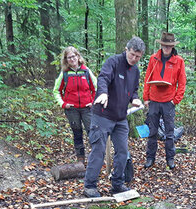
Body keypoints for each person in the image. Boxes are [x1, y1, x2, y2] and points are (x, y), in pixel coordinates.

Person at [83, 37, 145, 198]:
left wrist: (135, 99)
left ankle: (117, 183)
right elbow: (103, 78)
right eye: (132, 55)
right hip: (102, 115)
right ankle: (90, 185)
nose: (134, 59)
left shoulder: (136, 71)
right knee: (98, 150)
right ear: (126, 50)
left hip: (121, 118)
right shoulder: (113, 62)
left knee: (123, 151)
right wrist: (103, 93)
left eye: (138, 57)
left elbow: (134, 90)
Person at [142, 32, 186, 170]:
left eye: (169, 46)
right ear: (161, 45)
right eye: (164, 46)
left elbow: (182, 82)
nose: (166, 48)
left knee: (169, 132)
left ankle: (170, 159)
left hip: (168, 102)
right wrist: (146, 98)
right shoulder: (153, 59)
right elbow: (147, 79)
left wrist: (175, 100)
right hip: (154, 100)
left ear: (172, 47)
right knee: (152, 131)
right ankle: (150, 158)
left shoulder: (179, 61)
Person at [53, 46, 97, 163]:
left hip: (87, 108)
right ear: (66, 60)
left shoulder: (86, 71)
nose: (72, 59)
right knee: (77, 133)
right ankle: (80, 160)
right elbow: (56, 91)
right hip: (72, 109)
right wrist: (63, 104)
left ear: (78, 56)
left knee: (92, 132)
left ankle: (96, 158)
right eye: (69, 58)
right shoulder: (65, 74)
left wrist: (93, 102)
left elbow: (96, 88)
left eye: (73, 56)